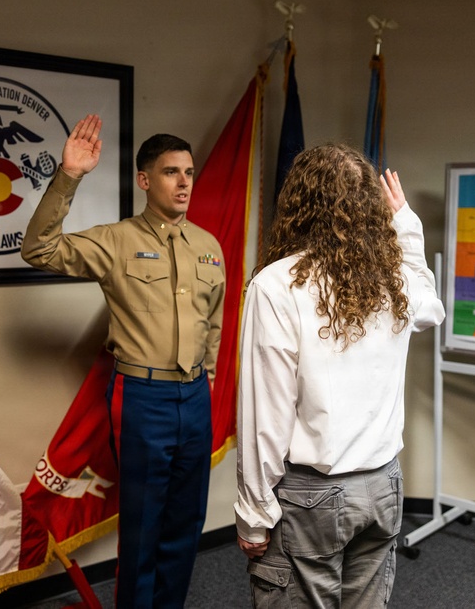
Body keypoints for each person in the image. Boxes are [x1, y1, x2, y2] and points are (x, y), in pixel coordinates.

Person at [22, 115, 225, 608]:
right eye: (172, 172)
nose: (184, 183)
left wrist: (210, 379)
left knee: (185, 521)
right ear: (145, 180)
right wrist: (69, 175)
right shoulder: (116, 241)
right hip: (143, 398)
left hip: (195, 397)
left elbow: (213, 320)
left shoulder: (208, 246)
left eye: (190, 173)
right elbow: (39, 249)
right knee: (143, 521)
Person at [234, 143, 445, 607]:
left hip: (314, 497)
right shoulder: (396, 278)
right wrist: (406, 225)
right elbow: (432, 307)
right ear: (372, 208)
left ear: (298, 204)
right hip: (384, 487)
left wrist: (254, 513)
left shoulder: (277, 284)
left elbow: (263, 414)